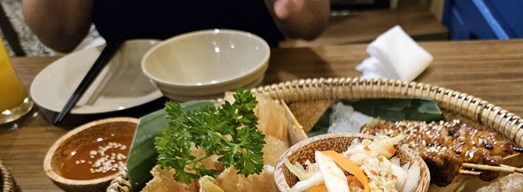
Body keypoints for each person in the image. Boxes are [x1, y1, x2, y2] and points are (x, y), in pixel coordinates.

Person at [22, 0, 330, 52]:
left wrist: (299, 9)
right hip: (126, 85)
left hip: (254, 75)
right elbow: (59, 35)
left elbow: (310, 23)